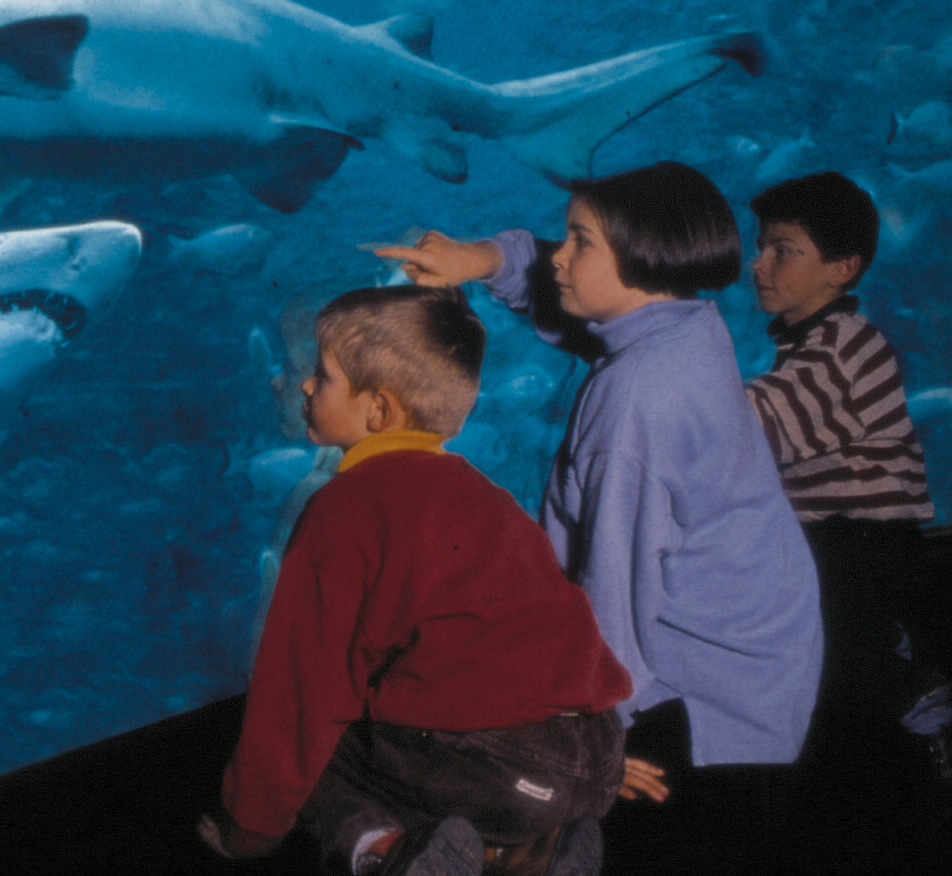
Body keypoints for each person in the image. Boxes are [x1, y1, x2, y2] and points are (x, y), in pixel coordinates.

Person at [377, 161, 823, 875]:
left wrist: (587, 747)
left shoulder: (637, 407)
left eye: (580, 242)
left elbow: (619, 594)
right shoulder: (681, 322)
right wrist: (480, 258)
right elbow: (563, 302)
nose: (560, 254)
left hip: (703, 686)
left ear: (644, 256)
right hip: (758, 644)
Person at [198, 285, 632, 876]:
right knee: (447, 753)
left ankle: (387, 854)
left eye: (321, 377)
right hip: (590, 752)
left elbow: (301, 689)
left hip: (496, 765)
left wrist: (249, 825)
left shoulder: (345, 506)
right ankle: (536, 853)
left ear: (378, 411)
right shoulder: (490, 496)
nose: (304, 385)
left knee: (320, 752)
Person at [745, 172, 952, 866]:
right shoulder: (812, 344)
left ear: (843, 268)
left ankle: (931, 785)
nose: (759, 264)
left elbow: (749, 426)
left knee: (861, 724)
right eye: (761, 246)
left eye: (784, 250)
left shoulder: (840, 350)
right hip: (837, 554)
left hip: (862, 556)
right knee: (842, 726)